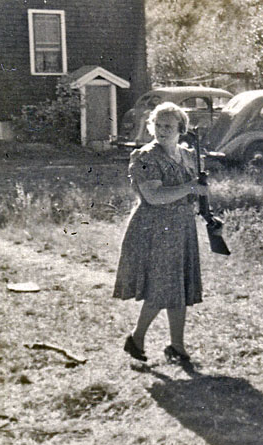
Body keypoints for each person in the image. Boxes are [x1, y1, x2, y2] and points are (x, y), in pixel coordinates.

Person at [113, 102, 208, 364]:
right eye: (158, 125)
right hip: (154, 228)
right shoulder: (145, 157)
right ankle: (136, 337)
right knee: (164, 285)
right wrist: (190, 188)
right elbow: (153, 196)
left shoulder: (187, 155)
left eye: (169, 126)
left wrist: (205, 207)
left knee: (177, 285)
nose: (162, 130)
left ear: (181, 129)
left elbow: (197, 188)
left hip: (181, 226)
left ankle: (176, 345)